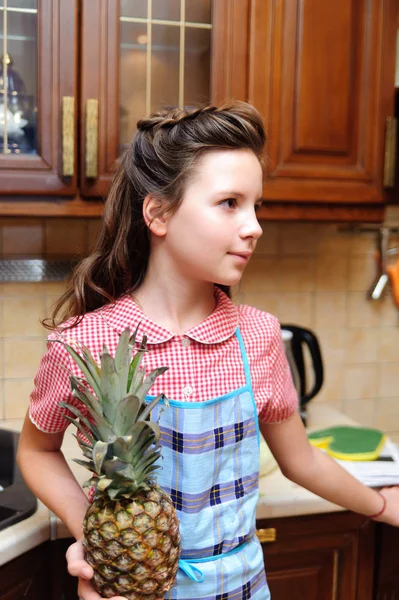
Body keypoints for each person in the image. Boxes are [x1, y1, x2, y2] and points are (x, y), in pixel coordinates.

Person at [17, 101, 399, 600]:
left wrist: (381, 504)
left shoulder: (258, 337)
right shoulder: (86, 343)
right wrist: (93, 532)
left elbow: (300, 460)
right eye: (229, 203)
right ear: (157, 213)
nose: (254, 226)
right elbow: (37, 449)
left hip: (243, 587)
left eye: (256, 205)